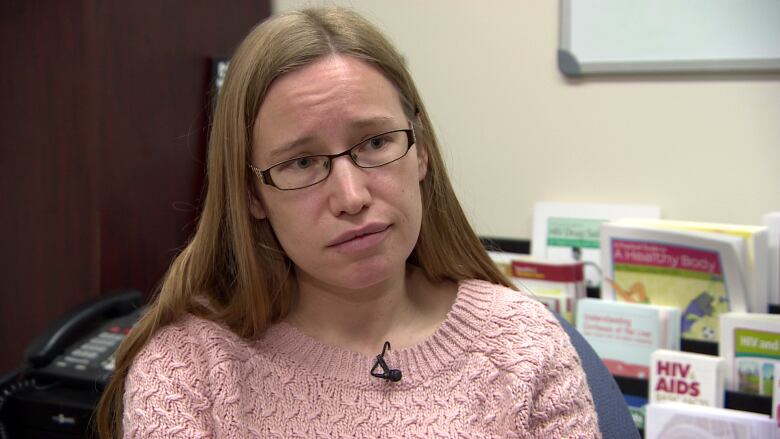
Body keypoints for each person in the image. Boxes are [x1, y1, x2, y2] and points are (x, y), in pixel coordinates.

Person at [96, 6, 599, 438]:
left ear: (420, 151)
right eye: (302, 163)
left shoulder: (523, 344)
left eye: (376, 143)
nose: (352, 197)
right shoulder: (188, 372)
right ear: (252, 195)